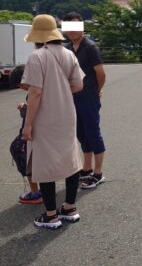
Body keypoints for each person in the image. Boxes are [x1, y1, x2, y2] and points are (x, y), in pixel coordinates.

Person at [21, 14, 85, 229]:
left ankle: (51, 215)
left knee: (44, 163)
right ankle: (69, 208)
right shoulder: (69, 54)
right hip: (67, 114)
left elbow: (35, 92)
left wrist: (28, 125)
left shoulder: (37, 56)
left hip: (45, 118)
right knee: (70, 160)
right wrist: (60, 90)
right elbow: (78, 85)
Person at [63, 12, 106, 189]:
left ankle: (98, 173)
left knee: (93, 132)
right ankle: (87, 168)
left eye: (75, 26)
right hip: (72, 98)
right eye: (68, 27)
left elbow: (101, 73)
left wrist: (96, 91)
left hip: (88, 97)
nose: (72, 31)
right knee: (81, 134)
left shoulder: (90, 47)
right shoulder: (66, 48)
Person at [9, 65, 42, 203]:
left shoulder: (35, 91)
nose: (20, 87)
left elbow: (36, 113)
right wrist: (26, 106)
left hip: (34, 133)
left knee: (22, 155)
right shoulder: (42, 87)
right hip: (44, 132)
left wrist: (25, 110)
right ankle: (46, 190)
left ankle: (35, 193)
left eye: (20, 84)